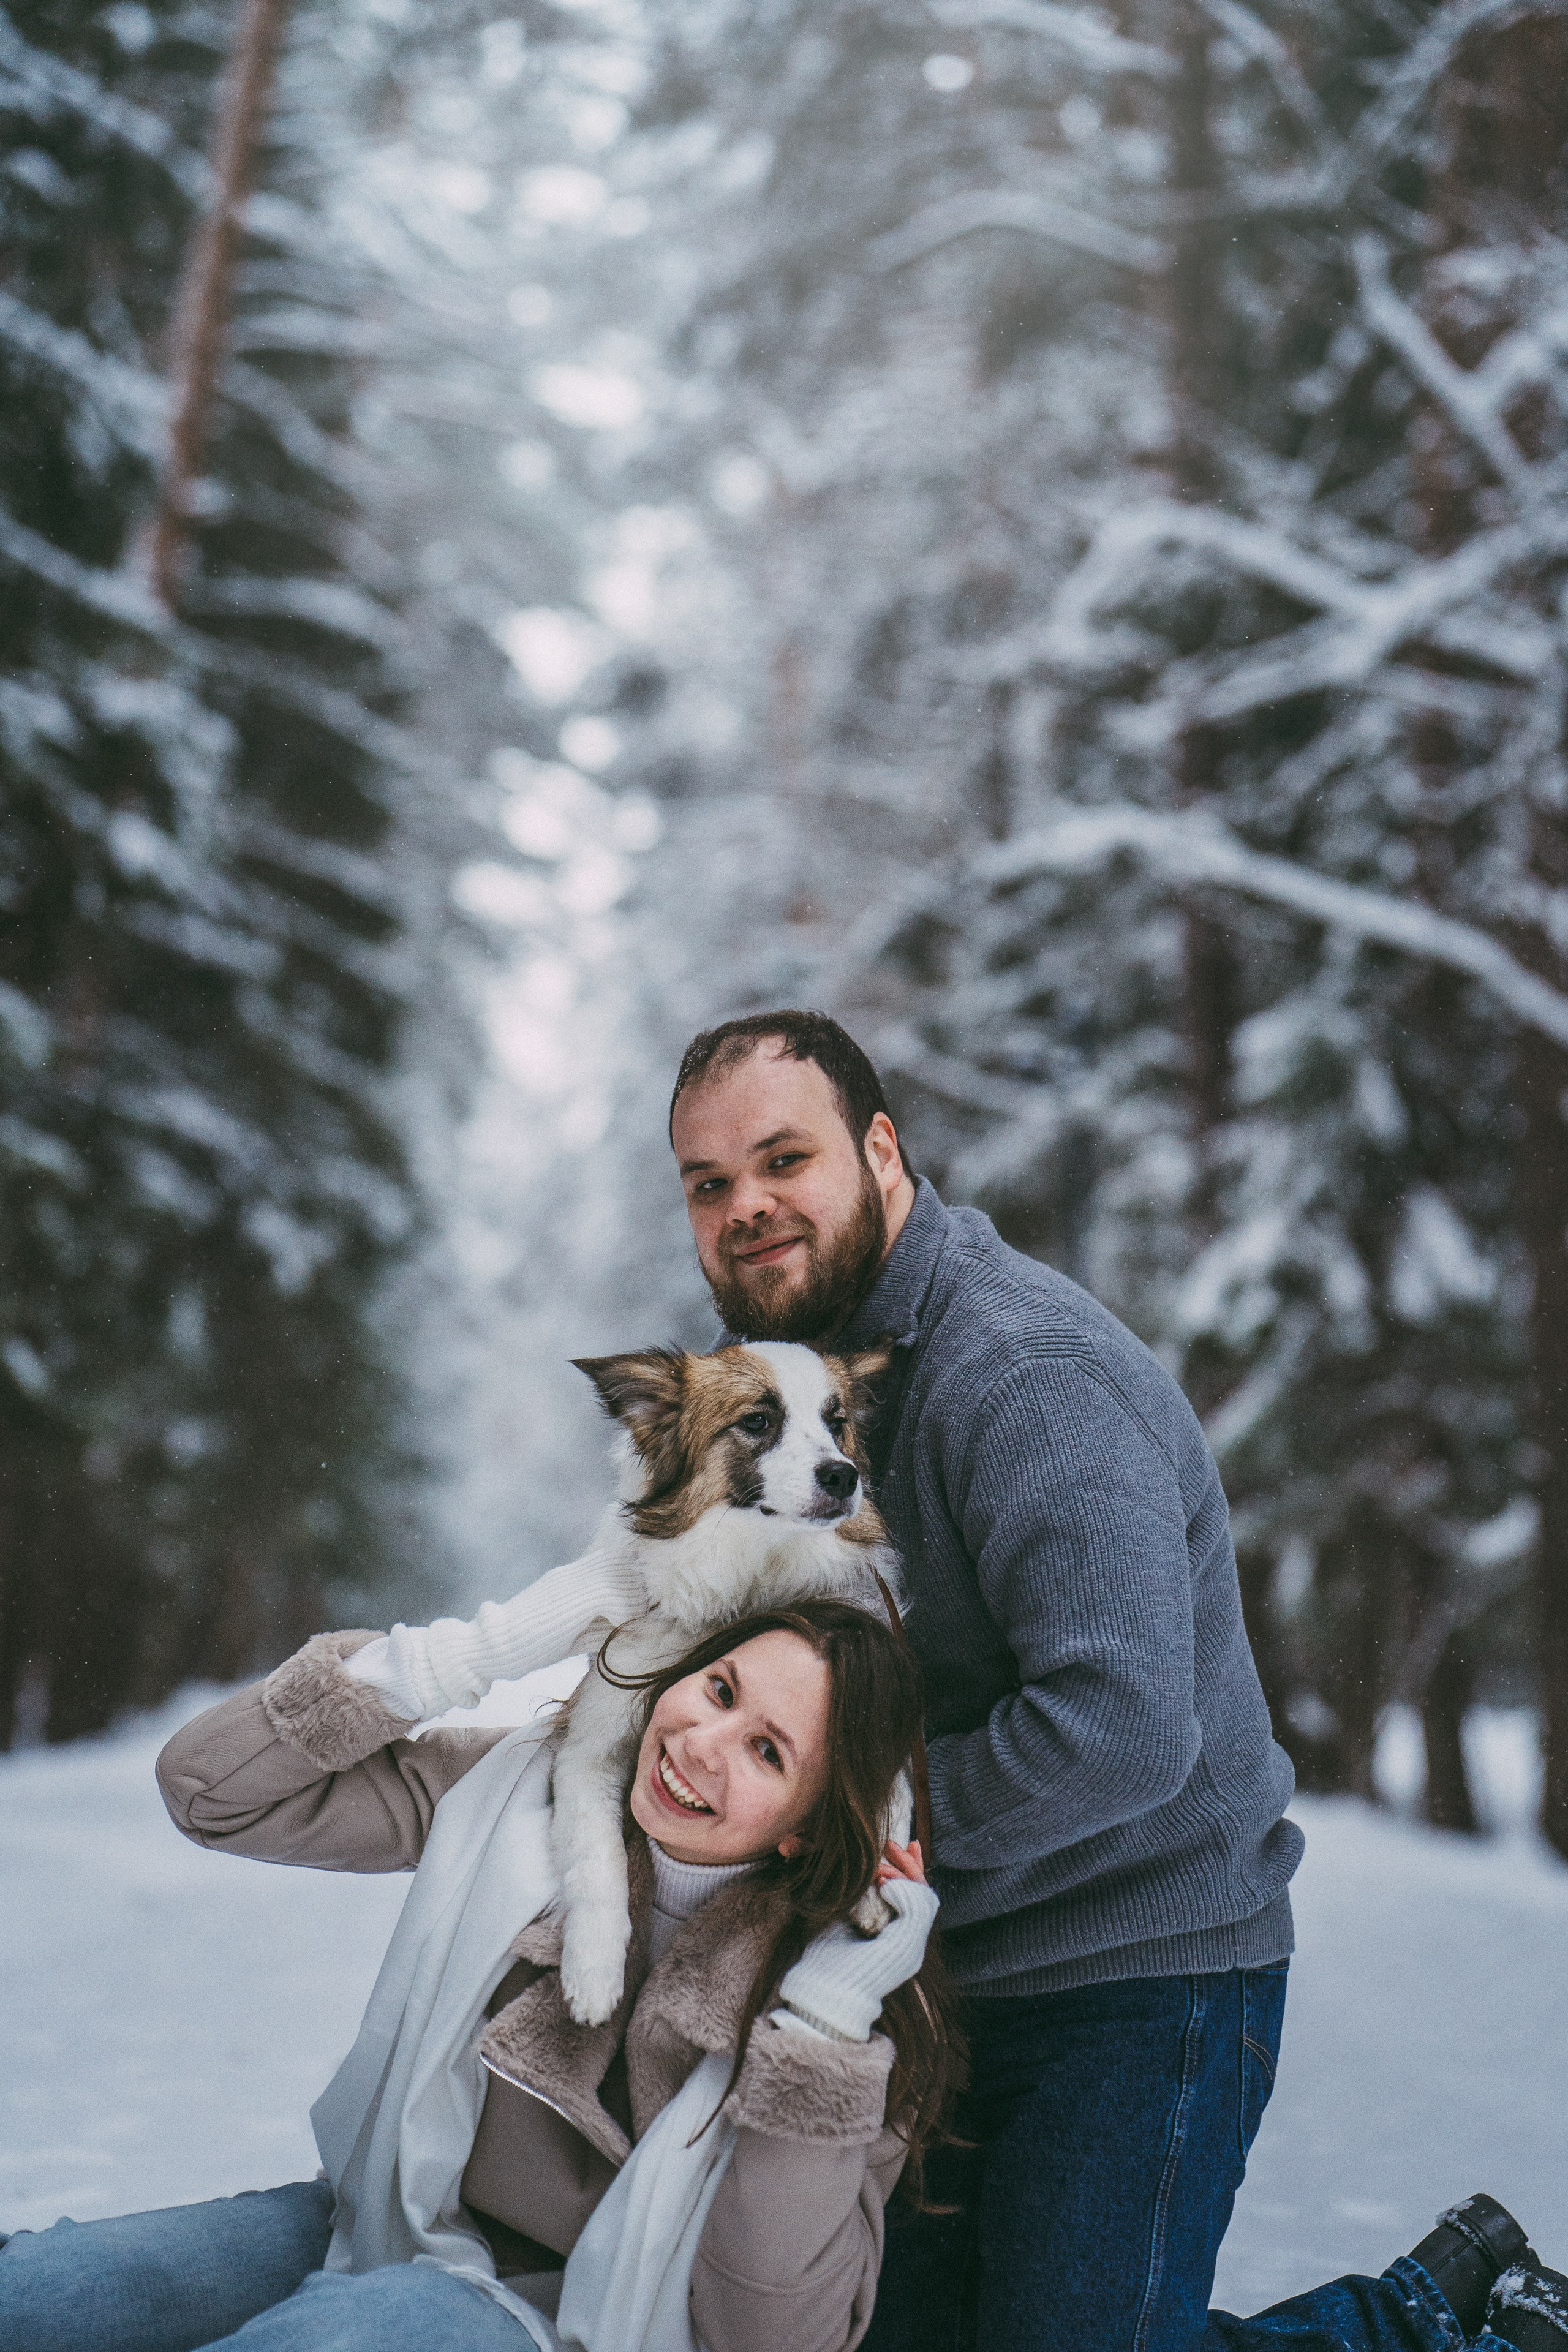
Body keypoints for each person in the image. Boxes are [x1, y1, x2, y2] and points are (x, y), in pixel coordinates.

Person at [657, 1010, 1568, 2352]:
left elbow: (1120, 1731)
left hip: (1140, 1973)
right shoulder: (823, 1389)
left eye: (782, 1160)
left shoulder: (1017, 1374)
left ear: (881, 1150)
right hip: (957, 1967)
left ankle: (1423, 2328)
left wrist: (836, 1815)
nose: (746, 1208)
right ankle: (1442, 2299)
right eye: (708, 1183)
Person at [0, 1598, 959, 2352]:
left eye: (766, 1750)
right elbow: (212, 1794)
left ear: (809, 1824)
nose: (701, 1744)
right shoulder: (522, 1801)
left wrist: (827, 2019)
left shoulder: (849, 2022)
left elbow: (773, 2340)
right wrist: (441, 1660)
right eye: (719, 1688)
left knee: (371, 2332)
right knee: (56, 2293)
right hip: (384, 2220)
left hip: (570, 2325)